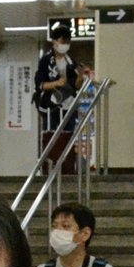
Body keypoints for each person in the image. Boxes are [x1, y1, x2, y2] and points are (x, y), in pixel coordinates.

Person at [33, 22, 83, 172]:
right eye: (62, 42)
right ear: (54, 42)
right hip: (52, 106)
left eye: (67, 42)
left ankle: (67, 168)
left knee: (68, 136)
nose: (65, 45)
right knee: (51, 135)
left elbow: (76, 86)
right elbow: (40, 85)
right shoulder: (46, 60)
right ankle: (51, 169)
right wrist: (56, 83)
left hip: (68, 105)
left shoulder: (71, 62)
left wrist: (80, 76)